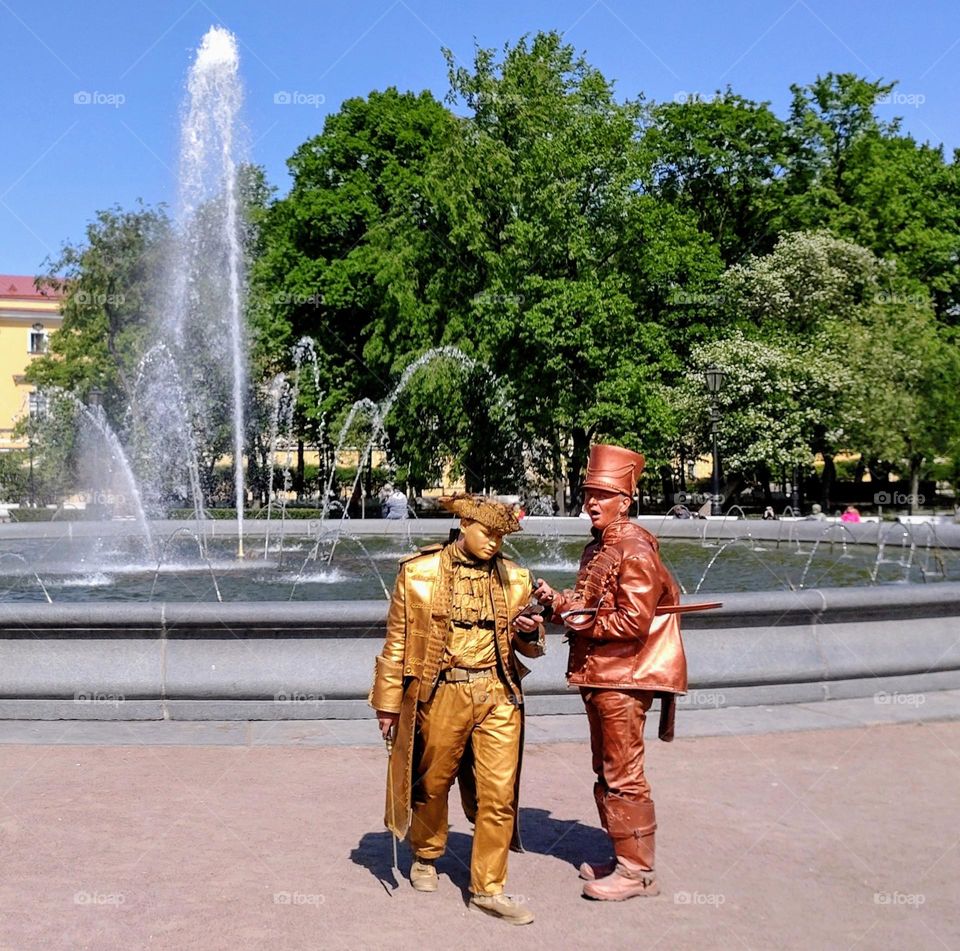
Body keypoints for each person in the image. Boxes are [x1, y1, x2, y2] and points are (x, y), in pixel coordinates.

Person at [369, 494, 545, 925]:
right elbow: (396, 644)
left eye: (502, 536)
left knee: (499, 794)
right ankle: (426, 855)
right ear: (464, 524)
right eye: (487, 533)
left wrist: (531, 630)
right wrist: (388, 704)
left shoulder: (516, 578)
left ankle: (488, 888)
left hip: (498, 693)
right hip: (442, 690)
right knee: (432, 782)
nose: (494, 543)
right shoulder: (417, 574)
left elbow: (534, 648)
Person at [533, 444, 687, 901]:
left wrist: (576, 617)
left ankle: (637, 873)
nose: (591, 503)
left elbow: (631, 622)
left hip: (623, 679)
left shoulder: (634, 550)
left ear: (626, 499)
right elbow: (594, 604)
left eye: (602, 494)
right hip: (601, 675)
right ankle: (622, 854)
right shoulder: (601, 547)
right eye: (588, 494)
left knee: (624, 773)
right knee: (606, 768)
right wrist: (560, 603)